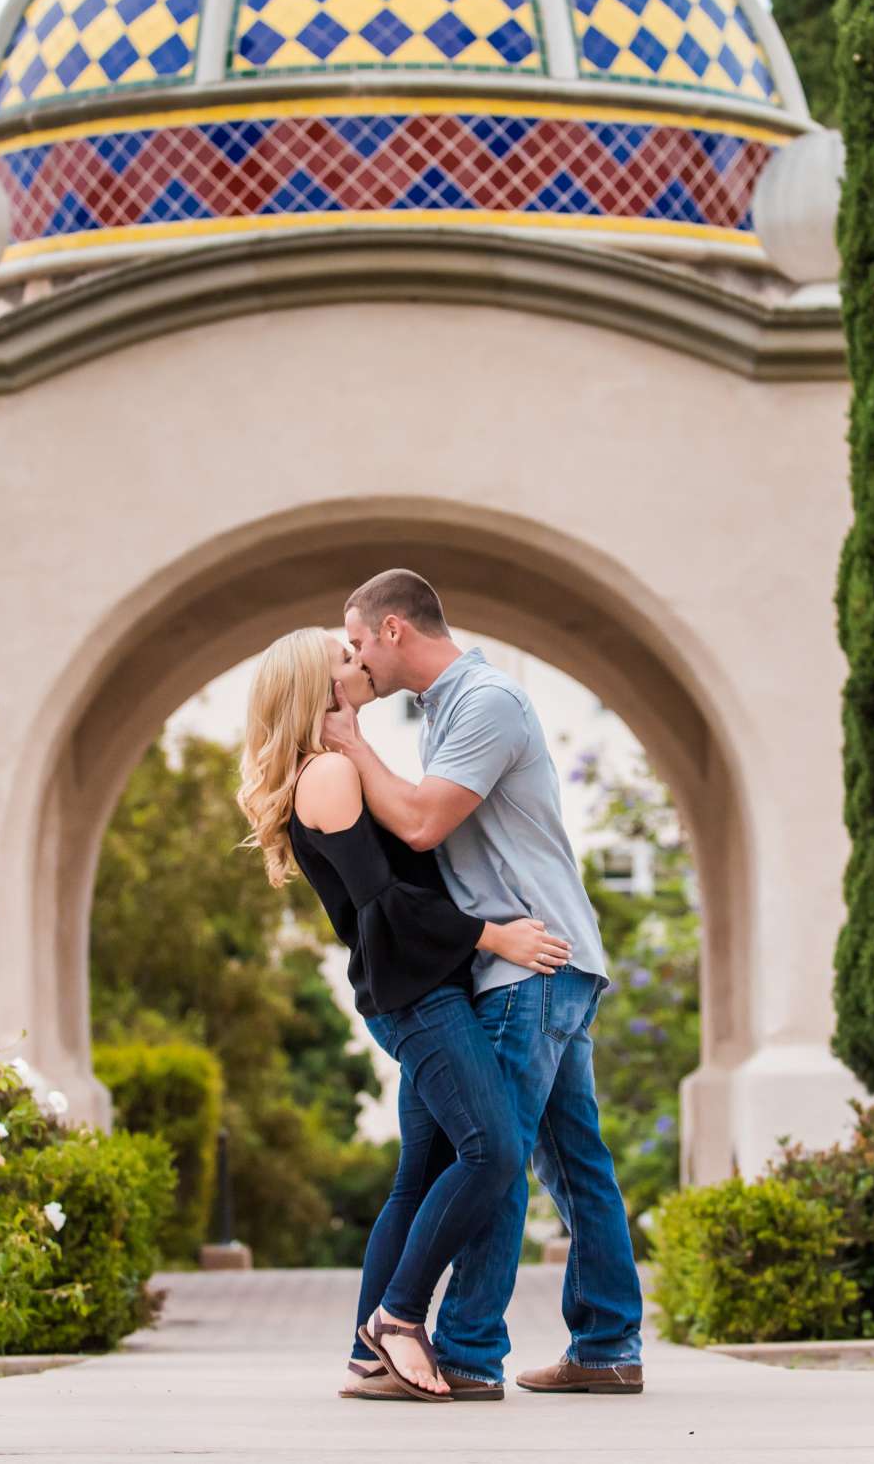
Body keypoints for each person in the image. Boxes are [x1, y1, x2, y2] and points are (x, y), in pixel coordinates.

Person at [322, 568, 648, 1396]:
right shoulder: (447, 712)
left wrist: (352, 745)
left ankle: (466, 1354)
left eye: (358, 641)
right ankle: (608, 1346)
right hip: (549, 960)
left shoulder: (484, 701)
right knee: (575, 1161)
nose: (355, 658)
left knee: (491, 1155)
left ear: (395, 629)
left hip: (525, 963)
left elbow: (427, 820)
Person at [237, 627, 573, 1403]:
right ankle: (397, 1319)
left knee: (420, 1176)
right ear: (318, 693)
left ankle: (365, 1358)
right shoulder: (326, 777)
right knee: (491, 1150)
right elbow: (385, 905)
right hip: (415, 996)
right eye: (344, 660)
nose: (360, 664)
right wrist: (498, 936)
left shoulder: (338, 765)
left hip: (420, 987)